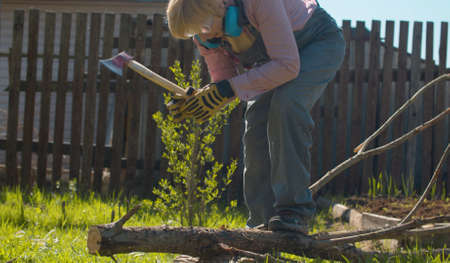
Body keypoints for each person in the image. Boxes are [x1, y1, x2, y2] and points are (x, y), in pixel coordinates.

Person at [165, 0, 345, 234]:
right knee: (255, 128)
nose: (203, 34)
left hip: (316, 43)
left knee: (286, 106)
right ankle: (261, 224)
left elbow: (287, 65)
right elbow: (225, 82)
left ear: (219, 6)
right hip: (276, 61)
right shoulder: (205, 34)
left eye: (205, 26)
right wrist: (201, 99)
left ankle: (295, 213)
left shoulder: (259, 3)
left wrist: (225, 90)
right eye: (194, 32)